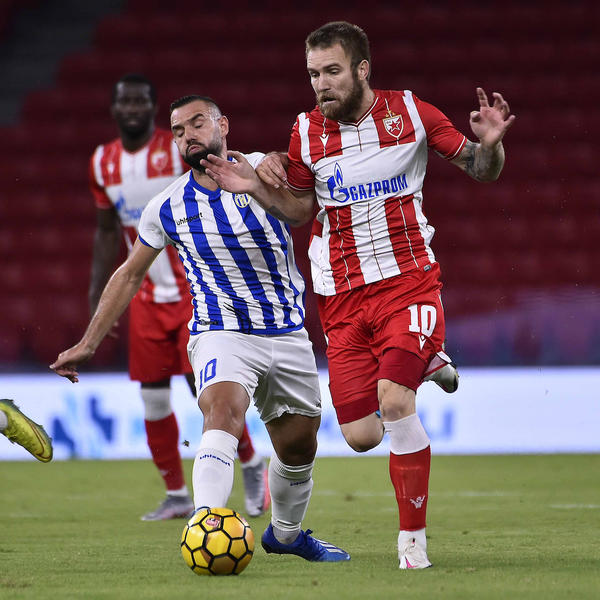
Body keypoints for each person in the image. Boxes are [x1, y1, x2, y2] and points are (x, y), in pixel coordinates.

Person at [200, 21, 515, 569]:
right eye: (313, 74)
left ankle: (412, 547)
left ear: (362, 69)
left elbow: (480, 169)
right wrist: (255, 188)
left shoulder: (412, 113)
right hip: (341, 297)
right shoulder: (306, 131)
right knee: (362, 435)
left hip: (407, 281)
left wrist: (490, 147)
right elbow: (301, 209)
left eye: (332, 71)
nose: (321, 84)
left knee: (394, 401)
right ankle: (424, 361)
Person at [51, 95, 350, 562]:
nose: (187, 135)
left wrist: (262, 178)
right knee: (222, 411)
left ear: (222, 125)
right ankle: (207, 527)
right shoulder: (167, 206)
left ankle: (287, 535)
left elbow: (303, 210)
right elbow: (129, 274)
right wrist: (88, 343)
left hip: (287, 331)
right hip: (220, 331)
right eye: (177, 130)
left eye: (196, 123)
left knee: (298, 446)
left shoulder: (265, 167)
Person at [88, 74, 268, 521]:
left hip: (195, 291)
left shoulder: (179, 151)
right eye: (125, 102)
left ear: (152, 109)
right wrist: (98, 298)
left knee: (207, 393)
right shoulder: (102, 162)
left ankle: (250, 463)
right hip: (147, 297)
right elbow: (107, 231)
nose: (132, 109)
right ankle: (175, 493)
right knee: (152, 399)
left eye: (140, 101)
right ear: (114, 109)